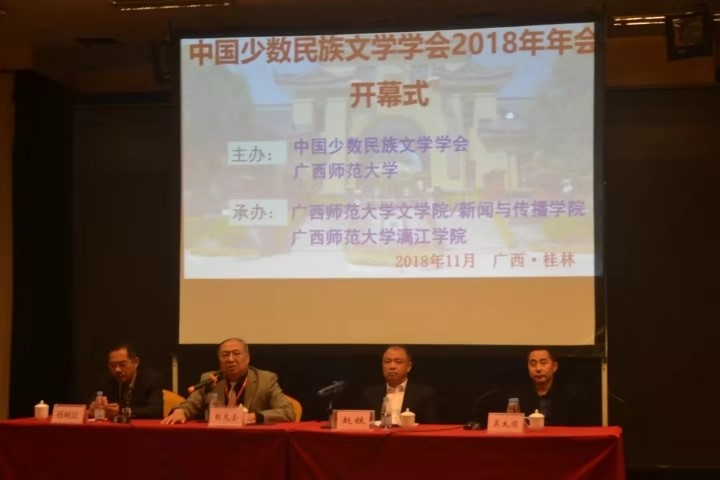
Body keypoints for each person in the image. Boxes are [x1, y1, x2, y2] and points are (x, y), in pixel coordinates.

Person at [162, 338, 294, 424]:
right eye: (225, 355)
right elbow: (191, 404)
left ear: (247, 358)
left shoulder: (265, 379)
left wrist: (255, 417)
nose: (230, 359)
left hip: (252, 440)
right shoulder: (209, 378)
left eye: (236, 354)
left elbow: (287, 412)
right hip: (217, 439)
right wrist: (181, 411)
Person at [362, 345, 437, 424]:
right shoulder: (369, 394)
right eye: (387, 361)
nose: (392, 366)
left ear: (408, 367)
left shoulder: (424, 394)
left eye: (398, 362)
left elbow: (430, 427)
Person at [511, 348, 586, 426]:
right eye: (533, 364)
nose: (538, 369)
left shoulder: (571, 395)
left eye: (543, 363)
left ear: (554, 366)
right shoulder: (517, 397)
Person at [88, 344, 164, 419]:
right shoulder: (106, 381)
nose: (117, 370)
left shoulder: (152, 379)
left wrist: (123, 411)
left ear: (136, 362)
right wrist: (94, 409)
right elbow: (90, 406)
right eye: (113, 365)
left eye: (122, 364)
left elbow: (156, 410)